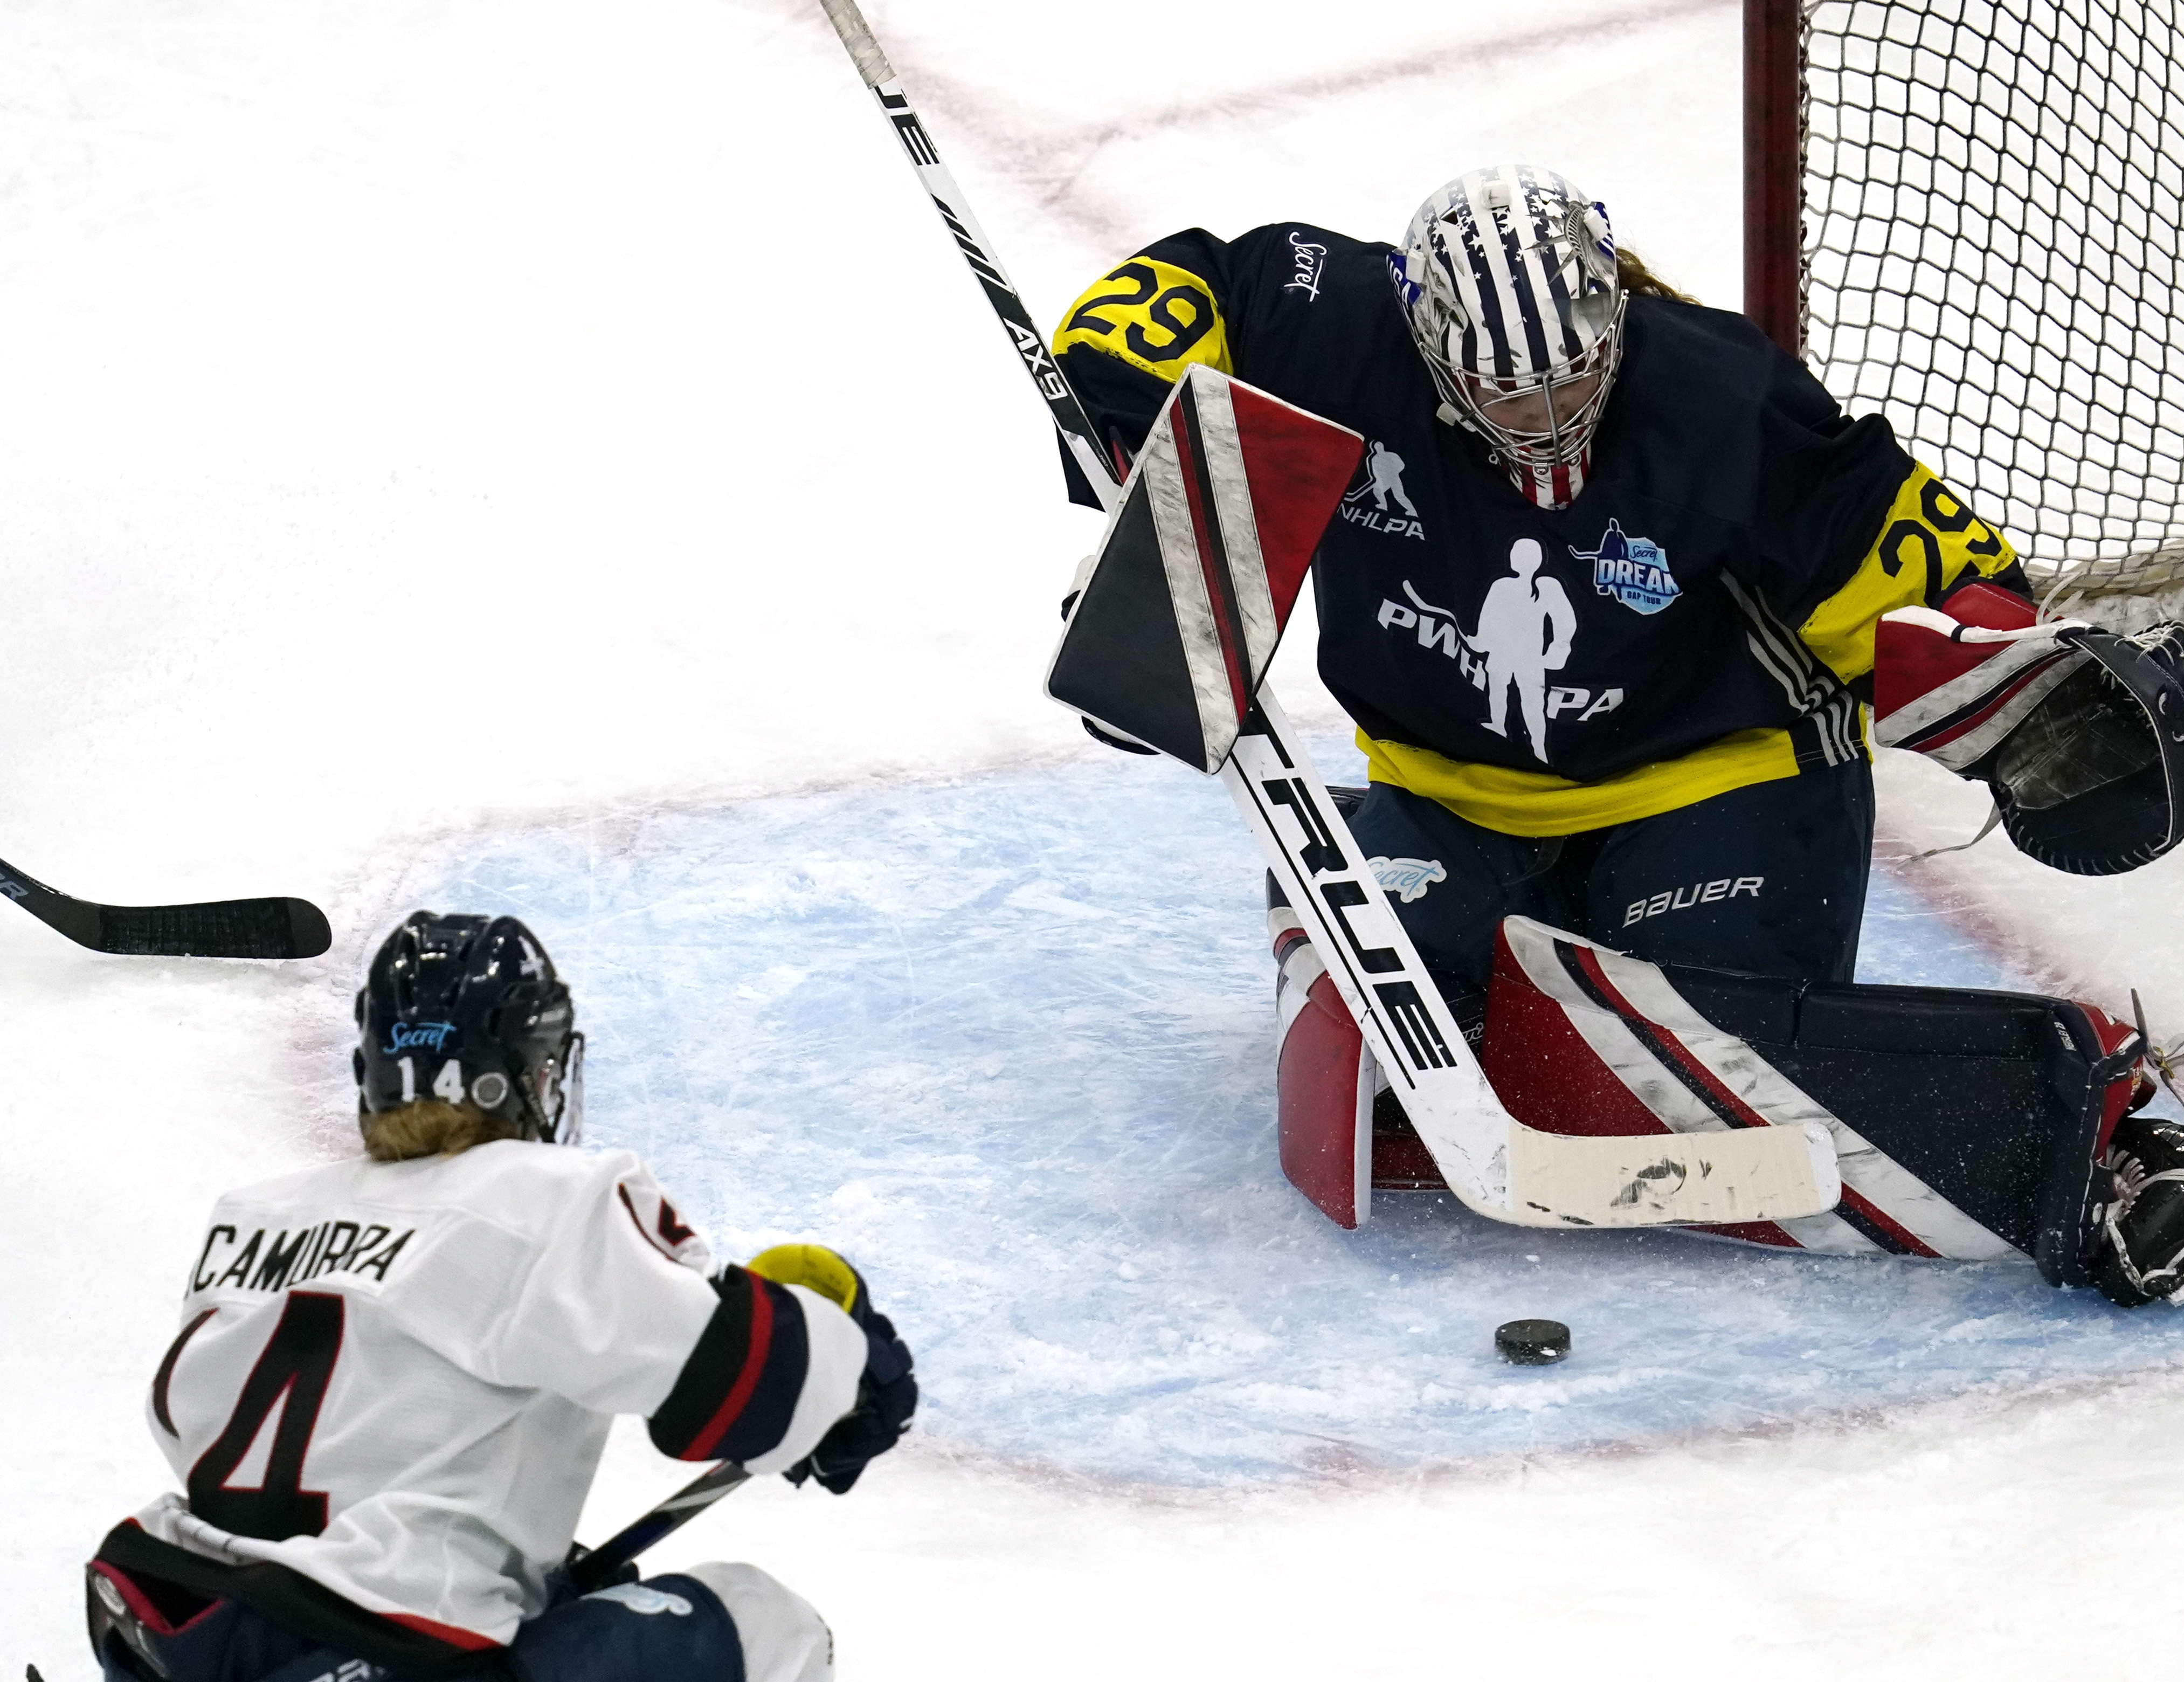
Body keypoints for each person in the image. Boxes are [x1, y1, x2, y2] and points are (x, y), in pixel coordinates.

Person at [1051, 163, 2057, 1025]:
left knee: (1702, 1048)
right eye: (1503, 390)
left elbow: (1925, 572)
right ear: (1427, 340)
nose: (1543, 418)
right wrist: (1140, 490)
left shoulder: (1721, 398)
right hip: (1454, 791)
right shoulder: (1334, 328)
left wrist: (2042, 703)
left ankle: (1569, 906)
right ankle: (1393, 848)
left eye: (1572, 379)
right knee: (1404, 1046)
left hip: (1715, 783)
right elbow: (1187, 287)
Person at [80, 912, 916, 1682]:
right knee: (761, 1623)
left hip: (185, 1631)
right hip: (382, 1658)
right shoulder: (546, 1198)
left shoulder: (252, 1218)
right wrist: (856, 1370)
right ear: (533, 1067)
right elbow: (750, 1397)